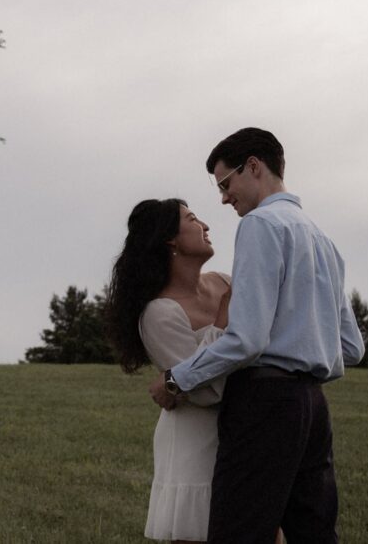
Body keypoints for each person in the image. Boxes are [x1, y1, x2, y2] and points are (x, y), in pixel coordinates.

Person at [149, 128, 365, 544]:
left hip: (264, 403)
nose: (225, 198)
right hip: (313, 408)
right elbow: (352, 347)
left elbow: (246, 339)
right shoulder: (323, 239)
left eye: (226, 184)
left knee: (239, 532)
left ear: (254, 166)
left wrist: (177, 378)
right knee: (314, 534)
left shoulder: (260, 225)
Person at [104, 198, 232, 543]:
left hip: (243, 433)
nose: (205, 225)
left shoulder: (224, 283)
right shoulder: (161, 313)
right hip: (196, 443)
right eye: (192, 219)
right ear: (170, 239)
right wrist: (222, 324)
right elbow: (206, 392)